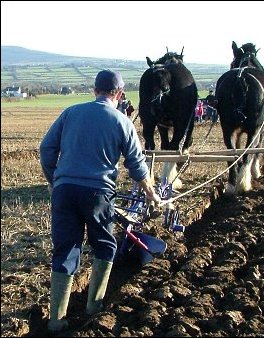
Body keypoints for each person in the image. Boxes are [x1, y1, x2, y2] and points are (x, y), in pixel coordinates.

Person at [40, 69, 161, 332]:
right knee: (105, 246)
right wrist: (151, 193)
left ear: (95, 91)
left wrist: (54, 181)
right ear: (118, 94)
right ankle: (94, 309)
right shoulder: (122, 122)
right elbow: (137, 165)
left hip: (64, 191)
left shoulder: (70, 113)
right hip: (97, 194)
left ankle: (56, 321)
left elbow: (46, 149)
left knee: (65, 250)